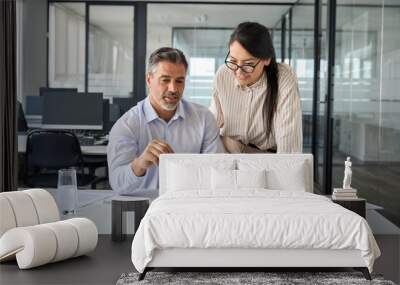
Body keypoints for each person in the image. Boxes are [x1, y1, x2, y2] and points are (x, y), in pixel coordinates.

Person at [107, 47, 224, 196]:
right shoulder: (127, 125)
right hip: (144, 209)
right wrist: (140, 163)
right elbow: (117, 183)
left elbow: (217, 173)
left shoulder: (204, 119)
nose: (173, 88)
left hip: (188, 204)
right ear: (149, 80)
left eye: (179, 81)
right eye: (165, 80)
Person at [210, 22, 302, 153]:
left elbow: (289, 144)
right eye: (233, 60)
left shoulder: (283, 77)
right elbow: (213, 122)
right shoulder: (223, 74)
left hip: (264, 157)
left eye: (248, 64)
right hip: (228, 150)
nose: (238, 72)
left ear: (266, 59)